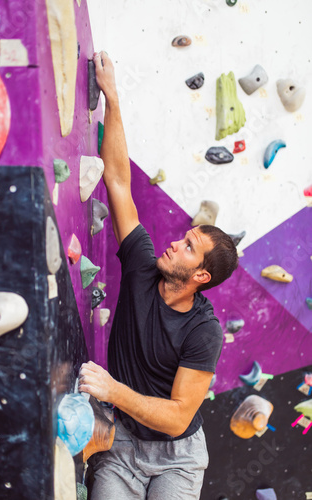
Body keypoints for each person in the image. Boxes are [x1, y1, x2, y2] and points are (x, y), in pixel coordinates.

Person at [78, 51, 239, 500]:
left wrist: (112, 389)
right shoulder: (142, 265)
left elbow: (175, 417)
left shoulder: (204, 331)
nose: (175, 243)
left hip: (178, 456)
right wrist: (112, 95)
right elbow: (118, 181)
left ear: (201, 276)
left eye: (189, 247)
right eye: (185, 236)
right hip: (123, 443)